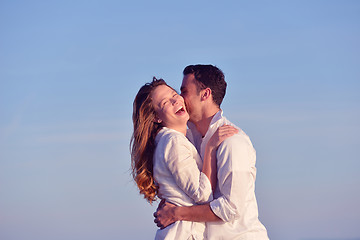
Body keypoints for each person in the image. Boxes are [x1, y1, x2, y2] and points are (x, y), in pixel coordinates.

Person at [153, 65, 269, 239]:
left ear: (205, 94)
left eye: (184, 91)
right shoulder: (186, 139)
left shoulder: (232, 142)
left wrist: (177, 213)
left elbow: (231, 208)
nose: (180, 99)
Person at [130, 78, 238, 239]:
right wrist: (210, 148)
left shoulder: (178, 138)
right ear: (156, 117)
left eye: (174, 94)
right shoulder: (173, 142)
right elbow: (202, 194)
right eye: (165, 102)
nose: (175, 101)